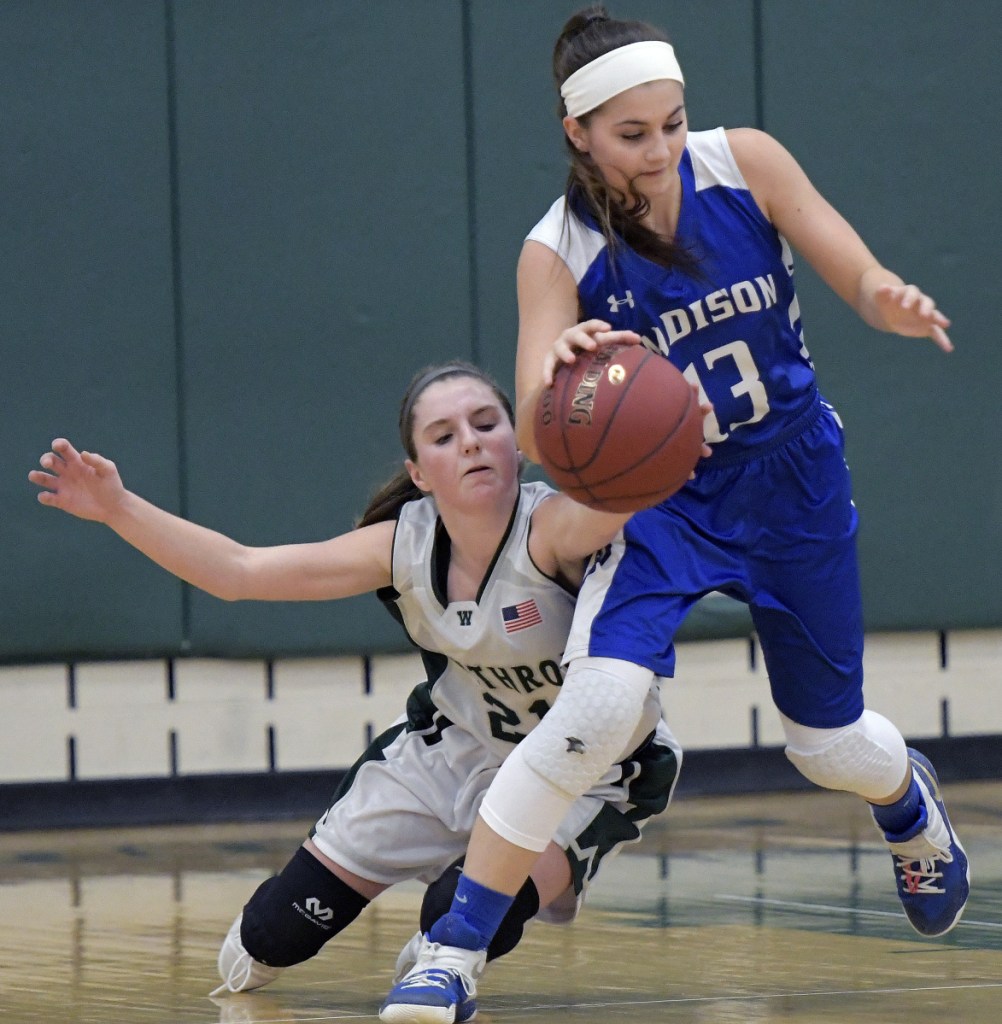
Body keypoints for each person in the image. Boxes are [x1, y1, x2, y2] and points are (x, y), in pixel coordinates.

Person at [381, 7, 969, 1022]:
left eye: (670, 122)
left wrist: (890, 297)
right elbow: (533, 409)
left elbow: (856, 271)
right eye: (631, 133)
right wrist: (575, 374)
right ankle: (448, 953)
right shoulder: (555, 251)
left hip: (791, 477)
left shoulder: (743, 163)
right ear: (578, 132)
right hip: (656, 497)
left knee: (826, 746)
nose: (658, 151)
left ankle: (907, 802)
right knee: (599, 710)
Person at [28, 360, 689, 1016]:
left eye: (486, 424)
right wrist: (117, 507)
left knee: (461, 912)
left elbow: (620, 498)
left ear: (517, 444)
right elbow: (238, 571)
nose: (470, 441)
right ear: (419, 474)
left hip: (585, 773)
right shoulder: (401, 546)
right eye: (443, 434)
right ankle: (310, 933)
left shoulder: (553, 530)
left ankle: (445, 953)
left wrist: (676, 429)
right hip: (447, 756)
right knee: (272, 937)